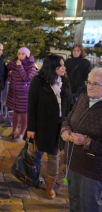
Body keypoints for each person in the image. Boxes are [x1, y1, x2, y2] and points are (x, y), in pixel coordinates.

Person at [25, 54, 72, 199]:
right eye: (61, 65)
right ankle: (30, 178)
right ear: (53, 67)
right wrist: (31, 128)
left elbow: (69, 105)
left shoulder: (64, 81)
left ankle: (50, 186)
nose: (64, 68)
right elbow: (32, 106)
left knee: (54, 156)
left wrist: (69, 124)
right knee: (35, 155)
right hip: (41, 126)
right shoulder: (38, 81)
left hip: (58, 127)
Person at [61, 68, 102, 211]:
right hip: (73, 162)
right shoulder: (84, 98)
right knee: (74, 200)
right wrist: (65, 130)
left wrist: (86, 141)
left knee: (88, 206)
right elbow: (68, 118)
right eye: (89, 82)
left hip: (93, 169)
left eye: (96, 84)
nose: (90, 86)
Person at [6, 47, 36, 142]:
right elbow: (5, 69)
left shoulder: (31, 66)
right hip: (14, 93)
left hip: (24, 94)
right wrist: (9, 78)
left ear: (27, 55)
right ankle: (13, 131)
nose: (20, 55)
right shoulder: (14, 63)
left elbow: (26, 78)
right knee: (15, 112)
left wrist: (20, 67)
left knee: (23, 113)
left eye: (23, 54)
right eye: (19, 53)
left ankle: (21, 133)